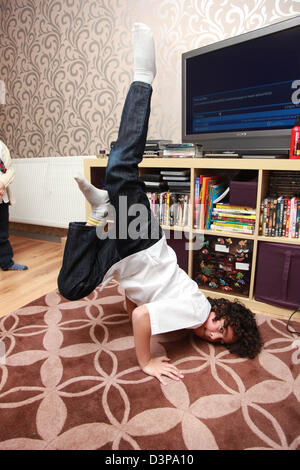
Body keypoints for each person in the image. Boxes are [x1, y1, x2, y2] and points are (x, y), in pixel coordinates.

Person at [58, 23, 262, 385]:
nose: (212, 335)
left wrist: (152, 324)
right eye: (221, 327)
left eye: (219, 341)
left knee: (72, 287)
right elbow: (140, 319)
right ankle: (143, 77)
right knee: (120, 166)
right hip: (142, 245)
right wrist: (146, 360)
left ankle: (105, 211)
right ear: (219, 309)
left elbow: (134, 308)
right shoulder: (196, 310)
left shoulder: (189, 323)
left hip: (126, 257)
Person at [0, 140, 28, 271]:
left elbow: (9, 170)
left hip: (1, 197)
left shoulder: (1, 147)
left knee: (2, 232)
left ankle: (6, 262)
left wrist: (2, 183)